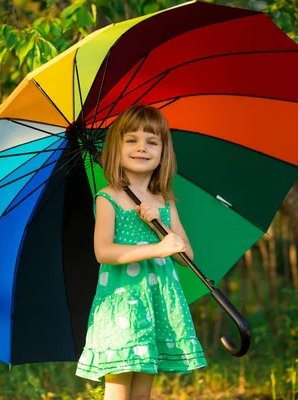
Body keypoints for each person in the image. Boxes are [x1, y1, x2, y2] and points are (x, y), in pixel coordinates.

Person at [75, 104, 206, 399]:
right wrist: (156, 248)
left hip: (156, 301)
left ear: (163, 152)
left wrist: (160, 225)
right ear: (116, 149)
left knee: (144, 387)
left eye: (151, 141)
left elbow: (185, 256)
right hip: (122, 302)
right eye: (131, 140)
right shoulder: (109, 197)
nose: (141, 148)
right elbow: (103, 251)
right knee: (119, 386)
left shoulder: (165, 201)